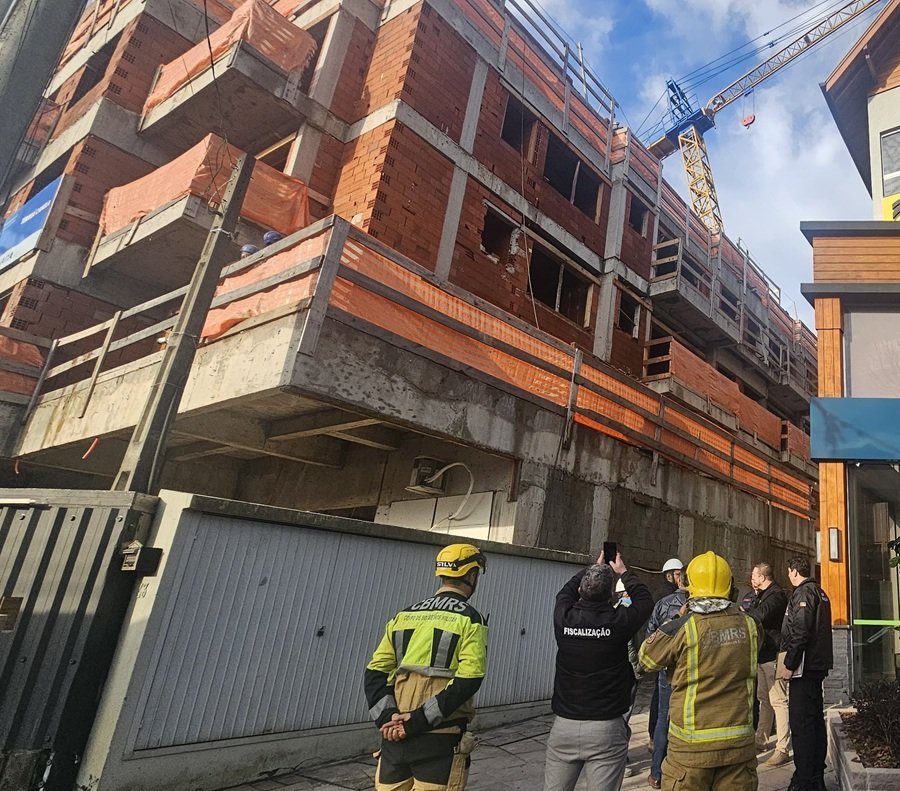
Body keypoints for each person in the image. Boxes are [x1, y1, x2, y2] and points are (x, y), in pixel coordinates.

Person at [364, 543, 488, 791]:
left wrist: (388, 719)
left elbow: (375, 672)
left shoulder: (404, 615)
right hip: (439, 739)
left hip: (393, 739)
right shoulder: (470, 619)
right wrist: (415, 721)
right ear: (472, 575)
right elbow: (469, 679)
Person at [639, 551, 762, 791]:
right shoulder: (751, 625)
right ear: (731, 588)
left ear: (689, 588)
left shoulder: (682, 627)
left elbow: (646, 660)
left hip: (691, 752)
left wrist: (676, 617)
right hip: (738, 748)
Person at [543, 550, 653, 791]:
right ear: (610, 596)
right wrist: (623, 572)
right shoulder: (618, 621)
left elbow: (564, 592)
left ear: (582, 590)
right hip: (606, 727)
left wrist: (593, 568)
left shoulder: (564, 617)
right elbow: (645, 600)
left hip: (565, 725)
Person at [779, 556, 833, 791]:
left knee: (801, 724)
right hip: (816, 667)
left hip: (804, 668)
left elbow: (800, 631)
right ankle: (815, 777)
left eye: (789, 572)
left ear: (793, 572)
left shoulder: (803, 593)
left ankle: (803, 780)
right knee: (814, 722)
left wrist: (788, 665)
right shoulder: (820, 592)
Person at [645, 571, 689, 789]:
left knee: (664, 718)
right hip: (690, 669)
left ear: (680, 579)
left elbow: (650, 637)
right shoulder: (700, 607)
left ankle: (656, 773)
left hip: (666, 670)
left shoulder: (663, 603)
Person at [748, 562, 790, 765]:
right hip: (762, 653)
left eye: (754, 576)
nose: (752, 579)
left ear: (763, 578)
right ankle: (761, 739)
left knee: (778, 701)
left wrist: (743, 615)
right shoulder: (762, 595)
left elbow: (760, 616)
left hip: (774, 653)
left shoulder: (776, 596)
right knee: (763, 698)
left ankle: (782, 748)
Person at [649, 558, 684, 740]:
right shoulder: (663, 598)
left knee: (660, 702)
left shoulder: (665, 596)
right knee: (663, 706)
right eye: (677, 574)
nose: (680, 579)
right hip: (668, 657)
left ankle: (654, 738)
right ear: (669, 576)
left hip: (663, 658)